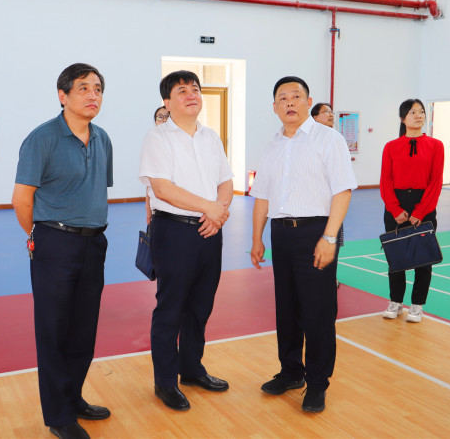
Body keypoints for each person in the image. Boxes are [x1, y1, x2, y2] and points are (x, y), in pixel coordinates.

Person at [12, 63, 113, 439]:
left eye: (98, 89)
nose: (92, 95)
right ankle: (58, 417)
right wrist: (39, 237)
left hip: (94, 243)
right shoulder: (42, 138)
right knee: (54, 331)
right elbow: (21, 199)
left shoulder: (102, 139)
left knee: (83, 330)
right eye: (83, 88)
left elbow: (96, 190)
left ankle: (73, 399)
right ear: (63, 95)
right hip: (55, 242)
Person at [250, 76, 357, 413]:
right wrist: (256, 238)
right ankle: (291, 372)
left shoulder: (329, 139)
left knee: (318, 312)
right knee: (287, 309)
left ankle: (317, 383)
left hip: (316, 233)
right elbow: (262, 197)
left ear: (308, 102)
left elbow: (343, 190)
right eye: (283, 98)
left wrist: (329, 237)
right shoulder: (272, 146)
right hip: (281, 233)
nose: (289, 102)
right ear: (274, 107)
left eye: (296, 96)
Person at [139, 70, 233, 411]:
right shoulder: (158, 138)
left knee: (200, 306)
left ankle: (191, 369)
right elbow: (163, 189)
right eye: (182, 90)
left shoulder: (211, 137)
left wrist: (217, 213)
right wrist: (211, 208)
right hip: (174, 231)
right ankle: (165, 382)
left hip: (211, 230)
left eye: (195, 89)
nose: (191, 94)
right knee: (171, 309)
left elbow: (226, 181)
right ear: (167, 101)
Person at [380, 99, 444, 323]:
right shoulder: (390, 147)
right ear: (402, 118)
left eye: (421, 112)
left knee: (423, 259)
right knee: (395, 257)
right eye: (413, 112)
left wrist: (421, 211)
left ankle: (417, 305)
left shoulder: (436, 145)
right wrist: (395, 209)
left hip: (424, 205)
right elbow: (385, 181)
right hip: (396, 206)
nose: (419, 115)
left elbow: (436, 182)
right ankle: (396, 301)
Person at [311, 102, 343, 288]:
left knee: (333, 242)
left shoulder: (336, 139)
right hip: (314, 206)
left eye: (332, 112)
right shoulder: (308, 140)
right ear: (315, 117)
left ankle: (331, 277)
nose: (330, 115)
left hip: (333, 203)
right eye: (326, 112)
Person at [145, 106, 170, 224]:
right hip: (158, 208)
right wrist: (148, 207)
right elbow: (149, 182)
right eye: (160, 117)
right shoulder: (152, 143)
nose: (164, 120)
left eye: (167, 117)